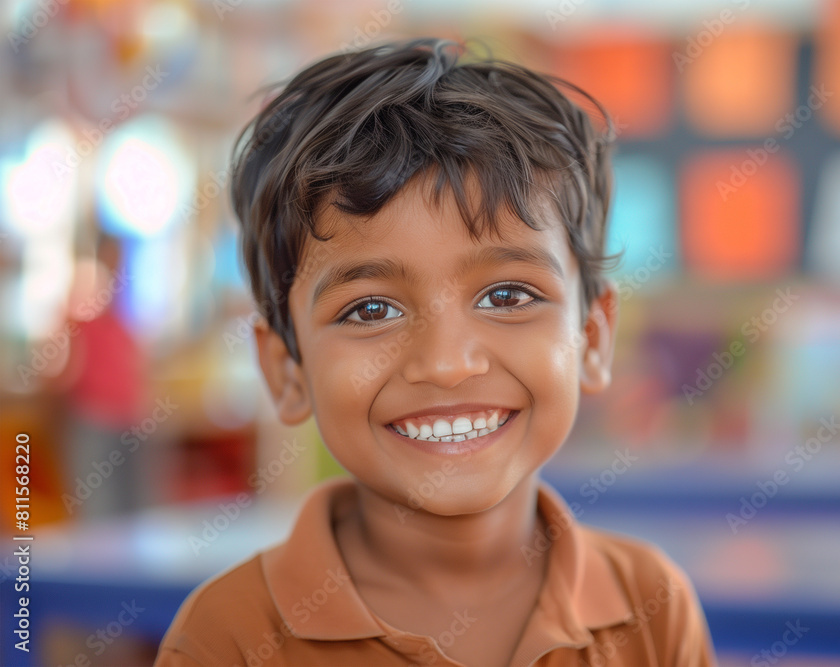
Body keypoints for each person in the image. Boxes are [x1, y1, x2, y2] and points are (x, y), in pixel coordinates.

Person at [155, 38, 715, 666]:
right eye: (371, 309)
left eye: (508, 295)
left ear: (592, 337)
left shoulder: (653, 609)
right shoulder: (226, 637)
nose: (448, 364)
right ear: (287, 370)